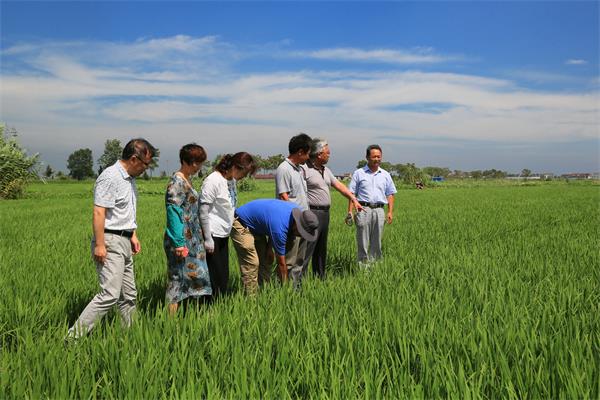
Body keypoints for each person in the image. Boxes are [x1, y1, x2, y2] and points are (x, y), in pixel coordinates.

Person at [66, 138, 156, 339]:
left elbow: (125, 212)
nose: (146, 168)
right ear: (134, 159)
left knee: (129, 295)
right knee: (109, 295)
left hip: (124, 239)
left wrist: (133, 235)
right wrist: (99, 244)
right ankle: (72, 339)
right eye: (146, 164)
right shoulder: (110, 177)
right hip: (110, 240)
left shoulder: (129, 180)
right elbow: (99, 212)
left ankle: (129, 336)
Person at [301, 138, 363, 278]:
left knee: (321, 249)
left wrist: (353, 198)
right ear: (319, 154)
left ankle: (320, 278)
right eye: (327, 152)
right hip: (311, 213)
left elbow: (339, 186)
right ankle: (299, 282)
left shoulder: (326, 170)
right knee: (307, 248)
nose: (329, 155)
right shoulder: (304, 169)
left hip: (324, 214)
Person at [230, 199, 319, 295]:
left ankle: (263, 293)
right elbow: (281, 263)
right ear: (297, 225)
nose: (301, 236)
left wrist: (269, 249)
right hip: (240, 223)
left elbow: (270, 225)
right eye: (302, 232)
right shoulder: (281, 229)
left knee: (264, 261)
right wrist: (285, 289)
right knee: (252, 262)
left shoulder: (295, 214)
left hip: (257, 226)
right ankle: (250, 299)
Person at [199, 152, 257, 299]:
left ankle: (218, 306)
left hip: (224, 234)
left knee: (223, 275)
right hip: (213, 234)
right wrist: (207, 238)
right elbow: (203, 210)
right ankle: (208, 310)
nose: (244, 176)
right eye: (244, 172)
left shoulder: (231, 180)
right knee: (214, 276)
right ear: (234, 166)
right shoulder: (213, 180)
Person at [164, 144, 211, 315]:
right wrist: (178, 243)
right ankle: (171, 322)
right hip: (181, 239)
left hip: (193, 239)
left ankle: (194, 315)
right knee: (177, 280)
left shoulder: (186, 179)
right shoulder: (177, 182)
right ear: (187, 161)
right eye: (196, 163)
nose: (198, 167)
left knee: (196, 276)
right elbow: (173, 212)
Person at [347, 144, 397, 268]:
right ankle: (363, 268)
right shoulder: (359, 173)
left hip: (380, 210)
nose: (377, 159)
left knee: (377, 241)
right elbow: (352, 193)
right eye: (374, 156)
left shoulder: (385, 174)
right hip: (363, 209)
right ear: (367, 157)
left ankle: (376, 267)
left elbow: (390, 194)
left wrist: (390, 212)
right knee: (363, 241)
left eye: (379, 157)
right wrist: (350, 211)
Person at [275, 133, 312, 288]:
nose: (309, 157)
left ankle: (296, 289)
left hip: (302, 221)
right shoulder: (284, 169)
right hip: (292, 223)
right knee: (290, 259)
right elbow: (284, 197)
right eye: (308, 153)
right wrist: (297, 222)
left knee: (299, 259)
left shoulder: (299, 169)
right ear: (300, 152)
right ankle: (285, 290)